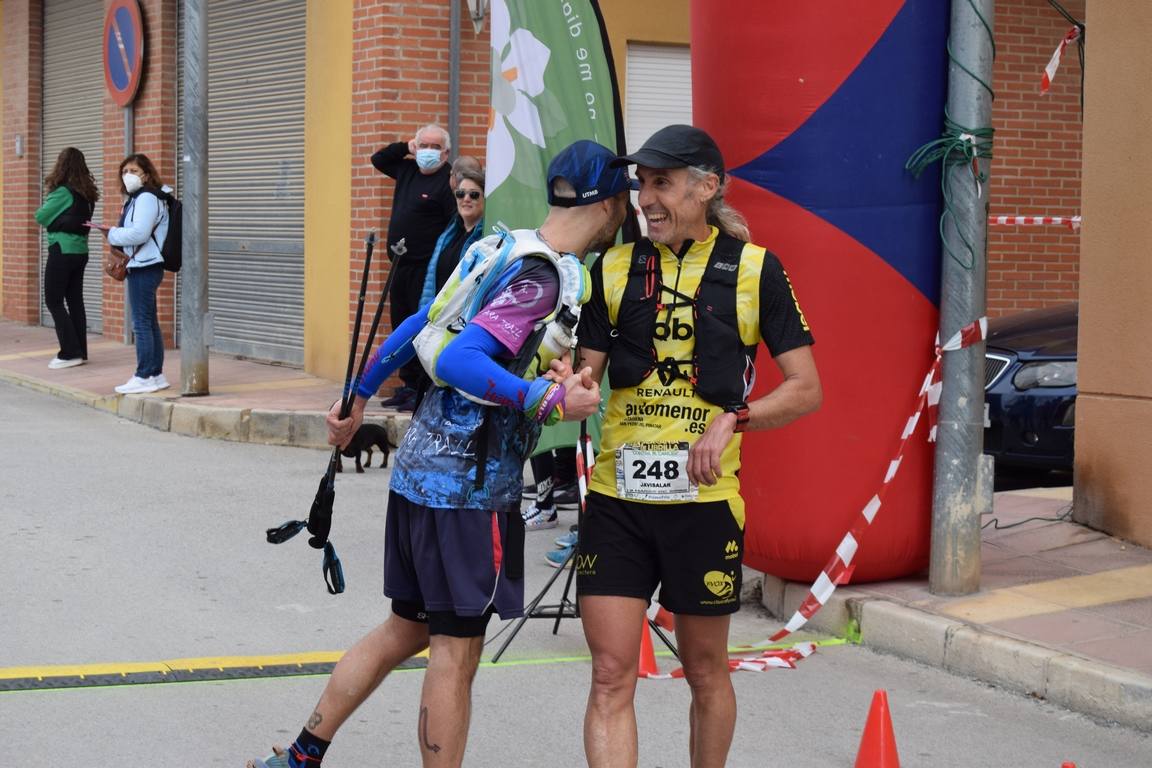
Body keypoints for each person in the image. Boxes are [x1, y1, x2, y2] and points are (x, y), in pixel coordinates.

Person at [248, 139, 631, 768]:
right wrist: (543, 400)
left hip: (420, 473)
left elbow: (422, 323)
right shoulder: (542, 276)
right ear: (609, 203)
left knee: (406, 630)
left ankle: (299, 757)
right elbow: (457, 357)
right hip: (469, 496)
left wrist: (357, 397)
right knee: (456, 653)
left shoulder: (497, 248)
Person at [574, 125, 823, 768]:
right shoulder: (611, 269)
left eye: (661, 183)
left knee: (707, 674)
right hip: (617, 502)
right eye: (641, 185)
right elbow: (585, 378)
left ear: (707, 187)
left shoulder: (754, 269)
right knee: (609, 675)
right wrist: (563, 381)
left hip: (704, 503)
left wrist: (734, 419)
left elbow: (805, 390)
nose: (646, 199)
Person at [372, 124, 457, 411]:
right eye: (424, 146)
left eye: (435, 148)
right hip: (400, 265)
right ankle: (407, 384)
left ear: (446, 153)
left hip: (427, 270)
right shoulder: (406, 170)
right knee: (401, 325)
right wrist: (405, 147)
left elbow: (452, 226)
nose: (428, 152)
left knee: (421, 328)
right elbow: (379, 160)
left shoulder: (448, 182)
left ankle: (421, 386)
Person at [94, 154, 173, 395]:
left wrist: (113, 234)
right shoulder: (140, 198)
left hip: (145, 266)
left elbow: (139, 233)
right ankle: (156, 375)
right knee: (149, 322)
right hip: (145, 264)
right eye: (125, 170)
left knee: (141, 323)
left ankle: (144, 375)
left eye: (134, 171)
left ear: (146, 175)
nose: (128, 175)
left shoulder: (147, 198)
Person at [35, 147, 99, 370]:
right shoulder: (88, 194)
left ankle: (69, 353)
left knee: (53, 300)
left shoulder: (63, 192)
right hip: (81, 252)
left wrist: (55, 222)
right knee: (74, 300)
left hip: (61, 250)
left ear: (61, 166)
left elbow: (40, 216)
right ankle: (80, 350)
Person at [418, 165, 485, 310]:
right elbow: (430, 284)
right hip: (437, 316)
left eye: (473, 194)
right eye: (460, 194)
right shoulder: (448, 234)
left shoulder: (487, 238)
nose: (466, 199)